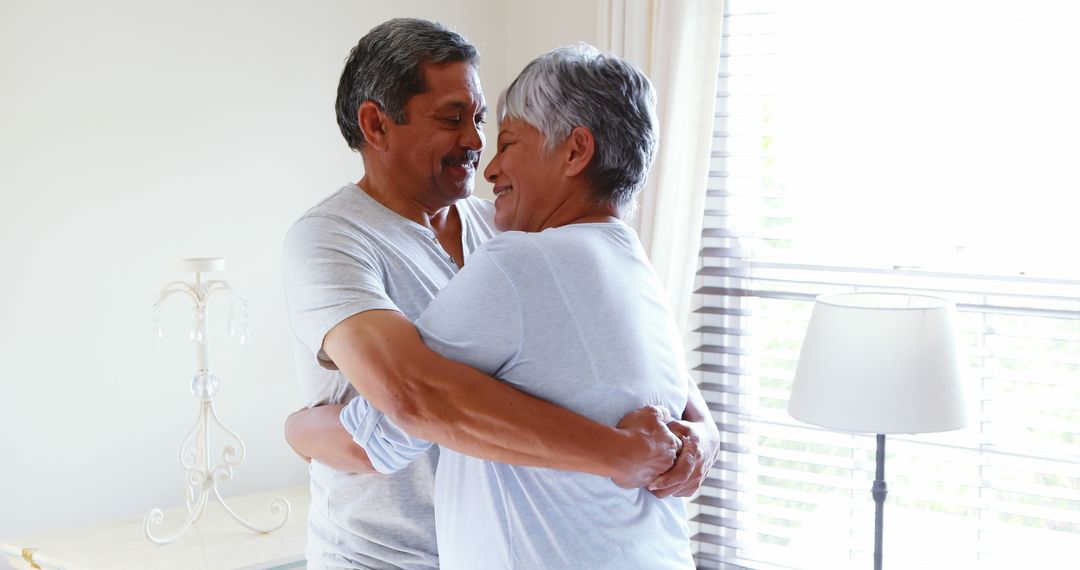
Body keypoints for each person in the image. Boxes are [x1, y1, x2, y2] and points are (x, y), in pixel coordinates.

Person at [282, 18, 718, 570]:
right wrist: (620, 453)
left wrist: (702, 432)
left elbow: (632, 355)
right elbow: (410, 398)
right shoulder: (331, 239)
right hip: (388, 557)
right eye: (451, 118)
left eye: (482, 121)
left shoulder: (516, 231)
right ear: (376, 123)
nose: (476, 143)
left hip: (504, 546)